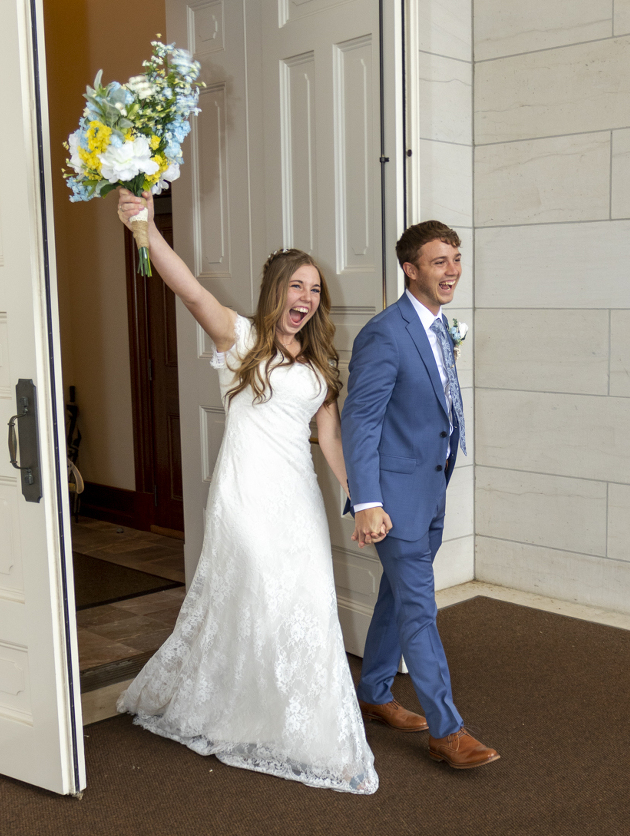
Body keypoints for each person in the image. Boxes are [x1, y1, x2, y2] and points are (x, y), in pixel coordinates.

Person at [115, 188, 378, 795]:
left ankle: (301, 724)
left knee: (305, 600)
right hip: (245, 495)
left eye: (315, 291)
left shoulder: (319, 364)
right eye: (297, 287)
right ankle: (245, 713)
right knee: (259, 589)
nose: (307, 300)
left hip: (296, 499)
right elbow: (188, 289)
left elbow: (331, 441)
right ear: (276, 289)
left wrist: (362, 500)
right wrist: (146, 230)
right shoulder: (239, 338)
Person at [341, 220, 500, 770]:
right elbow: (359, 423)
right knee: (418, 607)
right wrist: (367, 502)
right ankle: (446, 730)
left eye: (456, 258)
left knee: (396, 594)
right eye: (439, 261)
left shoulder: (440, 328)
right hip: (392, 499)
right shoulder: (385, 333)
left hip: (431, 489)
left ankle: (375, 691)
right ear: (411, 269)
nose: (452, 270)